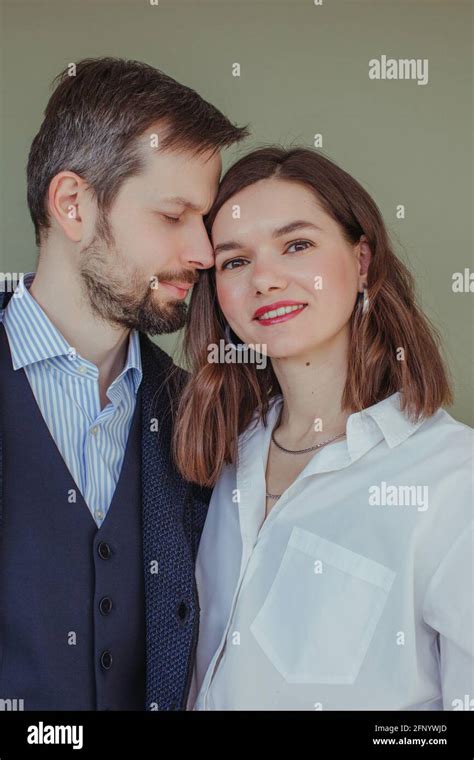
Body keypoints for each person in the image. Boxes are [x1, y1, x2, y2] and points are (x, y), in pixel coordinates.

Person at [173, 147, 473, 710]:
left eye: (297, 245)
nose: (265, 278)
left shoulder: (453, 480)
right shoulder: (217, 462)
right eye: (235, 261)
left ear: (361, 263)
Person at [0, 56, 248, 711]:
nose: (203, 252)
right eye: (173, 216)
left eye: (206, 219)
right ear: (73, 205)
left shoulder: (200, 415)